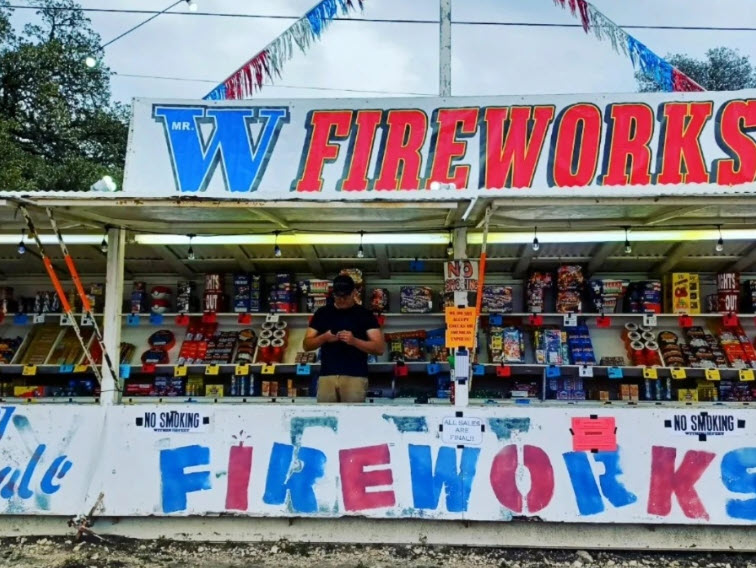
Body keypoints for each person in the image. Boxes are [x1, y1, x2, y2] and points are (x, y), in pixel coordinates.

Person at [303, 274, 385, 403]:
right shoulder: (322, 313)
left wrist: (354, 341)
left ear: (354, 293)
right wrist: (324, 337)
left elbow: (379, 348)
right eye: (337, 296)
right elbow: (306, 345)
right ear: (333, 294)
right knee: (326, 418)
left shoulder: (365, 315)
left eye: (345, 297)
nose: (341, 300)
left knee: (352, 419)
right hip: (327, 376)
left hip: (355, 377)